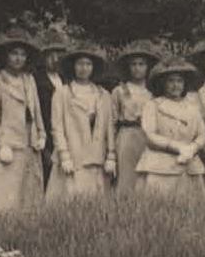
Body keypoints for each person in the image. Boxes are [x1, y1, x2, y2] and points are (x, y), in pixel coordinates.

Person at [49, 46, 117, 198]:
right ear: (73, 66)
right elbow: (57, 127)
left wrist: (111, 155)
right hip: (73, 156)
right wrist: (64, 155)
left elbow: (109, 127)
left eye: (88, 64)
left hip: (97, 157)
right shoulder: (63, 93)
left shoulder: (103, 94)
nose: (84, 68)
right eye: (80, 64)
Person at [134, 62, 205, 191]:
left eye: (179, 81)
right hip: (159, 165)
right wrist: (176, 146)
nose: (176, 85)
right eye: (171, 81)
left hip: (189, 164)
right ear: (163, 83)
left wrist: (193, 147)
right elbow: (149, 134)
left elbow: (203, 132)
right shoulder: (153, 105)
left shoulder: (192, 107)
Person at [110, 49, 155, 191]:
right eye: (133, 64)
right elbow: (112, 121)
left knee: (147, 173)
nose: (137, 68)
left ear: (148, 67)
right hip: (127, 135)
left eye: (141, 64)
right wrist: (110, 150)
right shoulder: (119, 91)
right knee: (126, 174)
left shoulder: (153, 91)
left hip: (149, 136)